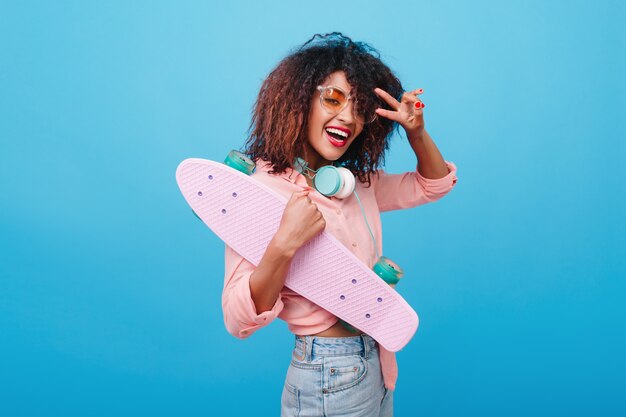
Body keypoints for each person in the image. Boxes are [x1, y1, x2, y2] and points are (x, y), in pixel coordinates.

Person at [221, 33, 458, 417]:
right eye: (332, 99)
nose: (347, 117)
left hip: (377, 362)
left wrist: (416, 133)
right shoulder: (260, 190)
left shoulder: (353, 184)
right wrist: (284, 242)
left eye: (360, 108)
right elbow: (237, 318)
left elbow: (432, 185)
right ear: (299, 100)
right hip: (326, 371)